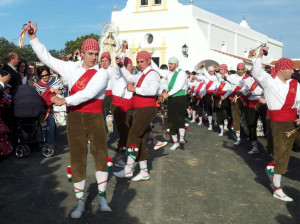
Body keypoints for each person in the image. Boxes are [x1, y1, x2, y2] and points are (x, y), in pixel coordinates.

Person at [24, 22, 111, 218]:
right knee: (78, 158)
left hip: (95, 116)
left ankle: (103, 196)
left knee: (99, 154)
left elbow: (89, 93)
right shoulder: (71, 68)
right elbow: (47, 57)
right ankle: (80, 203)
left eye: (97, 53)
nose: (95, 57)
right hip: (75, 117)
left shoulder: (102, 73)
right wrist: (33, 38)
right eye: (91, 54)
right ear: (82, 53)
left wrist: (65, 99)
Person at [251, 46, 297, 202]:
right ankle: (277, 189)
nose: (293, 71)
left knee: (285, 152)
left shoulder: (295, 84)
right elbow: (256, 72)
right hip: (279, 123)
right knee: (282, 154)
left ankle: (273, 168)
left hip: (295, 122)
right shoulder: (269, 82)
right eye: (290, 68)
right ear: (281, 69)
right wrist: (260, 55)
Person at [113, 51, 160, 181]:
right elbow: (130, 77)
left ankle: (128, 169)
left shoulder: (153, 74)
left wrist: (135, 90)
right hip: (140, 109)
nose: (139, 64)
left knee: (133, 136)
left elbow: (153, 90)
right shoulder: (141, 74)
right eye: (138, 62)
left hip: (146, 108)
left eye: (142, 61)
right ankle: (144, 172)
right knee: (140, 139)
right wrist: (122, 66)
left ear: (149, 61)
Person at [153, 57, 187, 150]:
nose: (169, 65)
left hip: (180, 98)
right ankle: (175, 142)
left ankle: (182, 138)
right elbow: (157, 70)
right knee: (171, 120)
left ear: (176, 64)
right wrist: (150, 59)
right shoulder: (168, 73)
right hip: (171, 98)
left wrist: (168, 94)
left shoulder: (181, 73)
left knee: (180, 117)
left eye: (171, 64)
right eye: (169, 63)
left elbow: (179, 86)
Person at [36, 65, 63, 148]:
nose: (45, 77)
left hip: (58, 105)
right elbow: (38, 97)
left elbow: (62, 92)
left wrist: (54, 90)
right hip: (47, 108)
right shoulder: (39, 84)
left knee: (55, 124)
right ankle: (49, 143)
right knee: (50, 123)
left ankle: (52, 141)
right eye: (42, 76)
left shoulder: (56, 80)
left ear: (49, 73)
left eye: (46, 75)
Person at [227, 63, 247, 145]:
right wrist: (225, 96)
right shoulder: (231, 77)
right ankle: (238, 138)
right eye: (238, 69)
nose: (240, 71)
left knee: (247, 118)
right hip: (234, 99)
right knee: (236, 118)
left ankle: (250, 137)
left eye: (241, 69)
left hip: (245, 99)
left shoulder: (248, 77)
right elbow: (230, 88)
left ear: (244, 69)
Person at [101, 52, 115, 133]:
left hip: (108, 93)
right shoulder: (103, 70)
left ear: (109, 61)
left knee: (105, 109)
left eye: (106, 61)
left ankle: (108, 121)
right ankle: (108, 121)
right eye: (102, 61)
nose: (104, 63)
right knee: (106, 111)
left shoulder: (110, 70)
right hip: (104, 94)